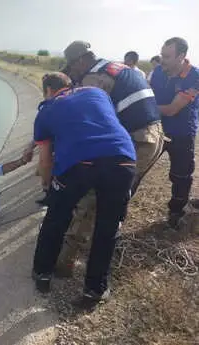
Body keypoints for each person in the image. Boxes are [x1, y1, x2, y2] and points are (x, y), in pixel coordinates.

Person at [53, 41, 163, 276]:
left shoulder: (94, 80)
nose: (73, 74)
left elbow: (90, 126)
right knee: (117, 196)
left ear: (82, 60)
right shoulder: (115, 67)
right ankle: (101, 240)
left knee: (92, 197)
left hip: (137, 140)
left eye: (72, 68)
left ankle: (67, 261)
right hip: (152, 136)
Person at [32, 72, 136, 304]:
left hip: (79, 164)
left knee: (56, 218)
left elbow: (45, 161)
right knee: (107, 228)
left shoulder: (46, 110)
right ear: (71, 84)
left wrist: (48, 186)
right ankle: (94, 290)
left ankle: (42, 273)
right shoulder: (97, 92)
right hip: (123, 160)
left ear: (49, 90)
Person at [150, 37, 199, 228]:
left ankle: (177, 210)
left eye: (167, 56)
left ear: (182, 56)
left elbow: (172, 109)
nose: (162, 59)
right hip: (156, 129)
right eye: (162, 54)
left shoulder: (194, 76)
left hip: (182, 133)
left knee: (180, 175)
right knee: (137, 169)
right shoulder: (157, 72)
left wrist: (146, 106)